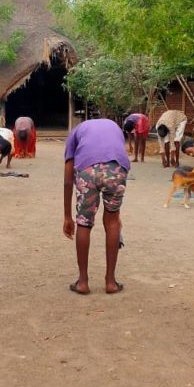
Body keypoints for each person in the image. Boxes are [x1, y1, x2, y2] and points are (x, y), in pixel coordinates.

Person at [63, 118, 130, 295]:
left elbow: (68, 180)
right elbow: (116, 152)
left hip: (87, 169)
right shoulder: (115, 127)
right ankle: (110, 282)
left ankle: (83, 282)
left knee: (84, 223)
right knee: (112, 221)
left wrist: (67, 216)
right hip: (117, 169)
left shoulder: (75, 133)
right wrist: (115, 214)